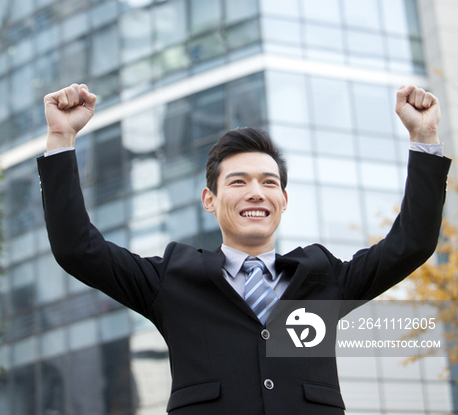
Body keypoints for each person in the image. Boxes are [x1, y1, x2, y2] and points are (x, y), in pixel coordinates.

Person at [38, 82, 450, 414]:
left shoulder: (323, 278)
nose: (256, 193)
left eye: (269, 183)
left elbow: (411, 242)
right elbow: (77, 248)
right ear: (209, 200)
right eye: (238, 182)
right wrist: (61, 137)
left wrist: (424, 136)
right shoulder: (174, 279)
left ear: (284, 201)